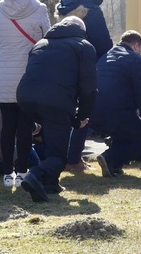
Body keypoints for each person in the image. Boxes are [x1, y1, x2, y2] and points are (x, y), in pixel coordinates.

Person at [17, 16, 97, 202]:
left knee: (53, 144)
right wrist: (82, 116)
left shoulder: (40, 43)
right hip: (56, 101)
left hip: (25, 97)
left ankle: (51, 183)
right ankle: (34, 175)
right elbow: (89, 87)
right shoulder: (84, 46)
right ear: (82, 31)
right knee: (60, 156)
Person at [0, 0, 51, 188]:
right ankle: (24, 171)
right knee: (25, 127)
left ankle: (7, 174)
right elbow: (46, 39)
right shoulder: (39, 9)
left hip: (4, 75)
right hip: (28, 77)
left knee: (7, 127)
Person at [57, 0, 113, 172]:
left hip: (64, 65)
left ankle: (65, 157)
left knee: (66, 111)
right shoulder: (93, 10)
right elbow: (103, 42)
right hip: (86, 65)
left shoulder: (65, 7)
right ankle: (73, 159)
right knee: (84, 111)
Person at [91, 30, 141, 178]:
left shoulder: (105, 57)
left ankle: (114, 165)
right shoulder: (136, 60)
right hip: (118, 109)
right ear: (136, 45)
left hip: (95, 108)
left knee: (124, 132)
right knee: (140, 138)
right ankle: (109, 158)